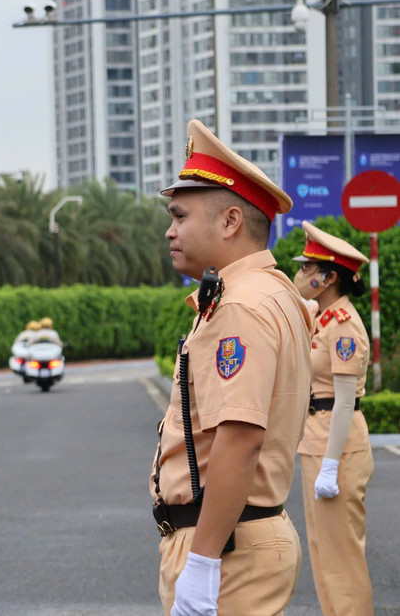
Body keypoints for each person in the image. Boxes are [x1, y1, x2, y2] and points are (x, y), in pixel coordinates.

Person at [150, 119, 312, 615]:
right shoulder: (275, 292)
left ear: (230, 221)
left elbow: (240, 438)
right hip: (237, 538)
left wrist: (201, 566)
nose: (169, 230)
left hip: (226, 546)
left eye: (180, 216)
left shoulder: (241, 306)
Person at [292, 221, 374, 616]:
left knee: (342, 559)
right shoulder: (322, 318)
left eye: (308, 269)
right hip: (317, 440)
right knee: (324, 555)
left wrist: (330, 465)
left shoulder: (344, 328)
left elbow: (343, 403)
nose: (300, 274)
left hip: (336, 449)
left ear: (328, 279)